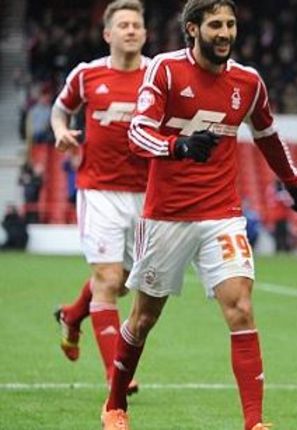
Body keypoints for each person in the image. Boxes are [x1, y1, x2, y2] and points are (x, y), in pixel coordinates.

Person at [102, 1, 297, 429]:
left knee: (240, 306)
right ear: (192, 28)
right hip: (167, 216)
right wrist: (176, 146)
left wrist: (294, 185)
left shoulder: (249, 81)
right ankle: (114, 405)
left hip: (222, 213)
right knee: (144, 317)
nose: (225, 33)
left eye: (231, 24)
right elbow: (137, 131)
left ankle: (254, 422)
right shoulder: (164, 69)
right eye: (215, 24)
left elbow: (268, 136)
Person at [51, 0, 149, 396]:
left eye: (136, 25)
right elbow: (61, 110)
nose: (130, 30)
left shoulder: (159, 75)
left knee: (123, 284)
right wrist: (61, 130)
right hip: (99, 191)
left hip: (147, 194)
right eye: (122, 24)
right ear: (107, 33)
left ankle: (73, 317)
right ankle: (117, 377)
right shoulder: (87, 74)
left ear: (144, 33)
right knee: (108, 280)